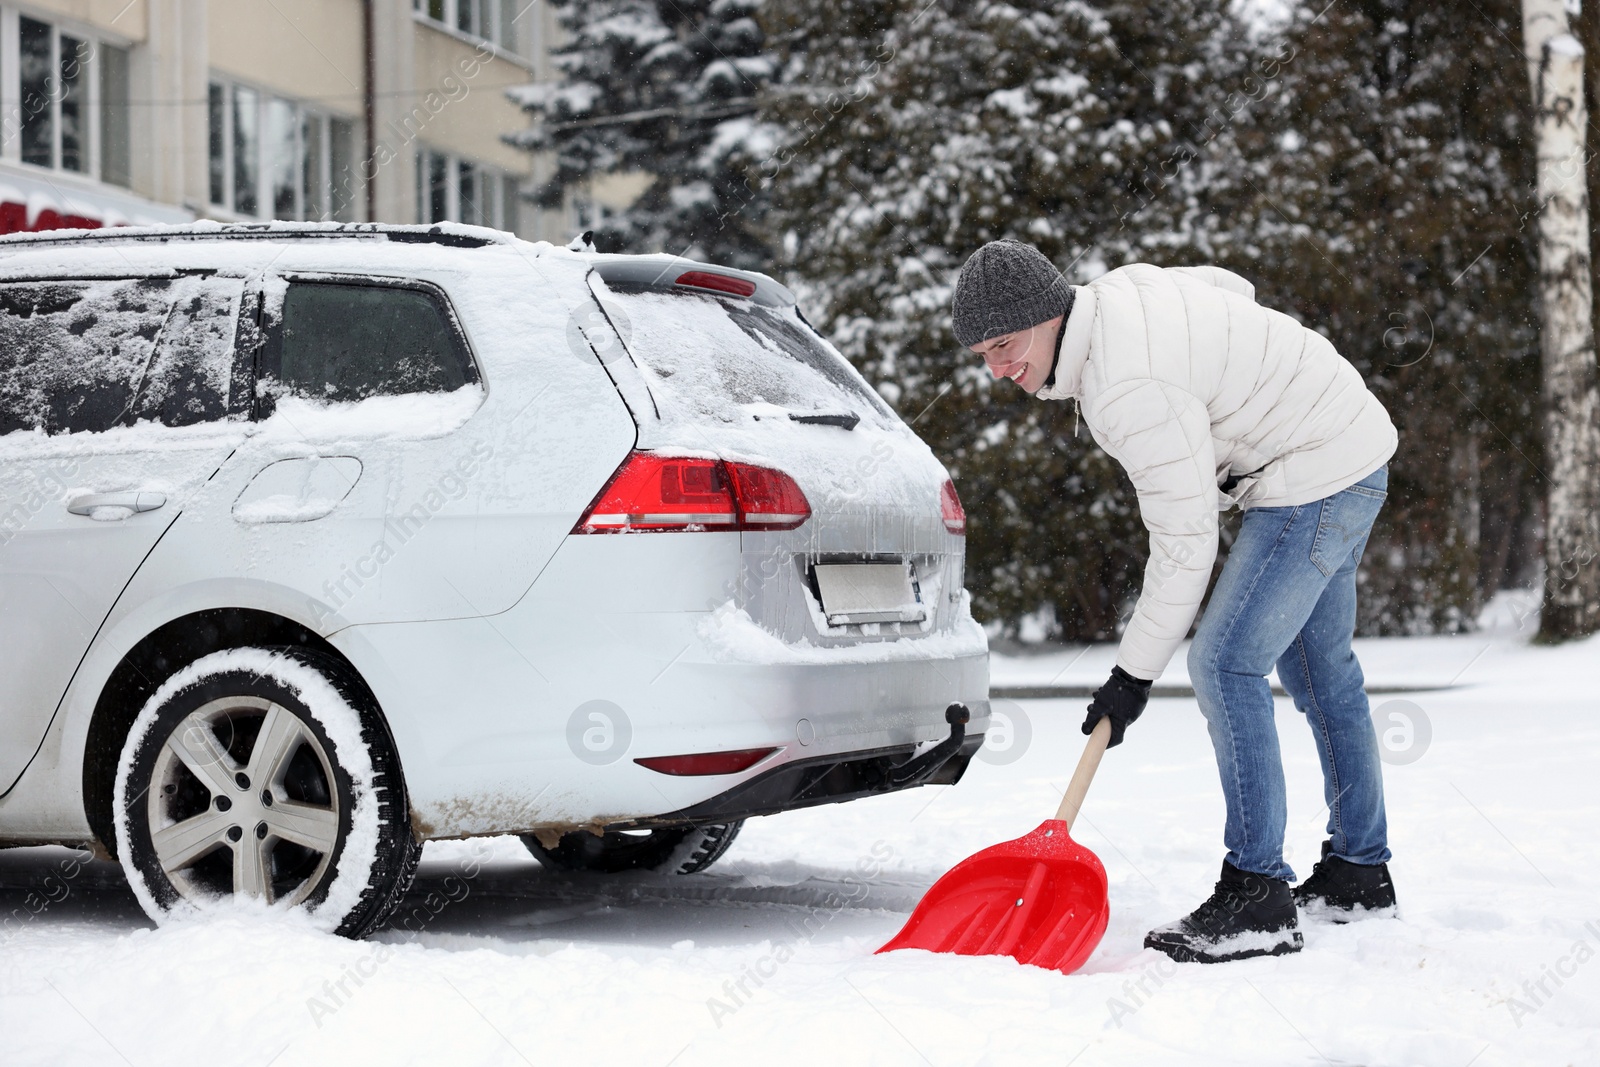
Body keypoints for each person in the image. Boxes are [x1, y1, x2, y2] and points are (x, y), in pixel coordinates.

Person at [952, 239, 1400, 964]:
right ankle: (1358, 870)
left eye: (1005, 344)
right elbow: (1231, 286)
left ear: (1048, 314)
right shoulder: (1115, 297)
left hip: (1312, 469)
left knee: (1225, 662)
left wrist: (1130, 678)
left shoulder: (1126, 387)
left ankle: (1257, 892)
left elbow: (1187, 543)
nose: (1000, 368)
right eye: (982, 354)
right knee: (1321, 669)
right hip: (1352, 442)